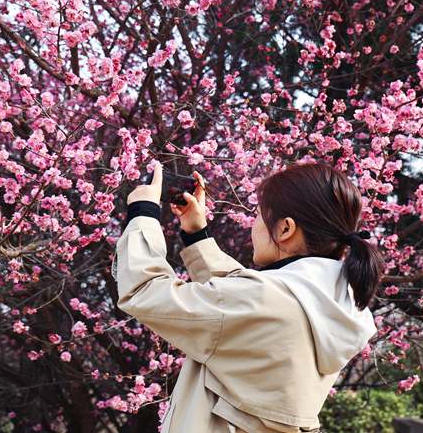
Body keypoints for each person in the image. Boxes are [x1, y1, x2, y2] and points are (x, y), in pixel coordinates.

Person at [112, 160, 384, 432]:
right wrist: (197, 235)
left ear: (285, 229)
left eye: (258, 215)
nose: (254, 225)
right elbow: (242, 298)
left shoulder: (264, 299)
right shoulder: (334, 303)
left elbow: (143, 290)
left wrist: (143, 213)